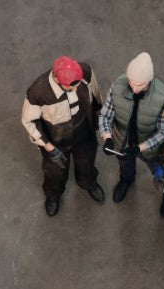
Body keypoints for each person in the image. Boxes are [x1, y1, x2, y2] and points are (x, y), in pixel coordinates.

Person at [21, 56, 105, 217]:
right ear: (57, 80)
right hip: (55, 140)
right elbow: (29, 122)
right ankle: (53, 195)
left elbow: (95, 93)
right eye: (70, 87)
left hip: (83, 130)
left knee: (86, 161)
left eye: (78, 84)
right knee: (55, 171)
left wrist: (98, 116)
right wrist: (49, 147)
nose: (76, 89)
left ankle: (88, 182)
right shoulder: (38, 92)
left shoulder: (85, 71)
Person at [99, 52, 164, 217]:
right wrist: (107, 137)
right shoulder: (119, 84)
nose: (134, 88)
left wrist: (140, 148)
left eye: (139, 85)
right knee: (125, 165)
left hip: (150, 146)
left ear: (149, 81)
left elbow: (163, 131)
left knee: (160, 171)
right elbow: (106, 115)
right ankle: (126, 179)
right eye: (131, 83)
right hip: (122, 141)